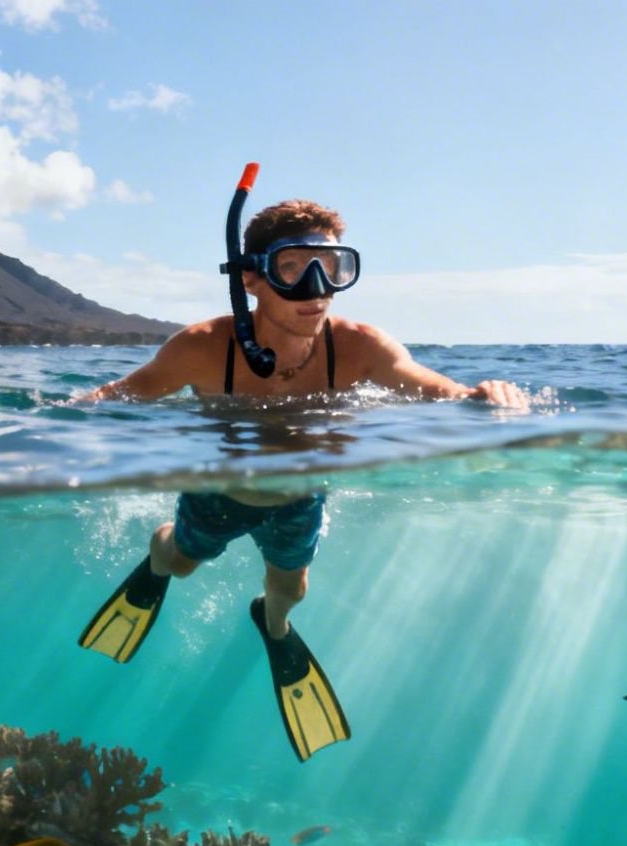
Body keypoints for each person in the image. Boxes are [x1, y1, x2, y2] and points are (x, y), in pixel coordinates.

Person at [77, 179, 524, 762]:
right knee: (181, 563)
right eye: (293, 269)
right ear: (252, 279)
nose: (317, 291)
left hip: (300, 497)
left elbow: (433, 388)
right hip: (219, 490)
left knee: (291, 589)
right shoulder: (202, 348)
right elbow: (121, 395)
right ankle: (158, 559)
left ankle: (274, 625)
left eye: (332, 268)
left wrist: (481, 396)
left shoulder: (362, 346)